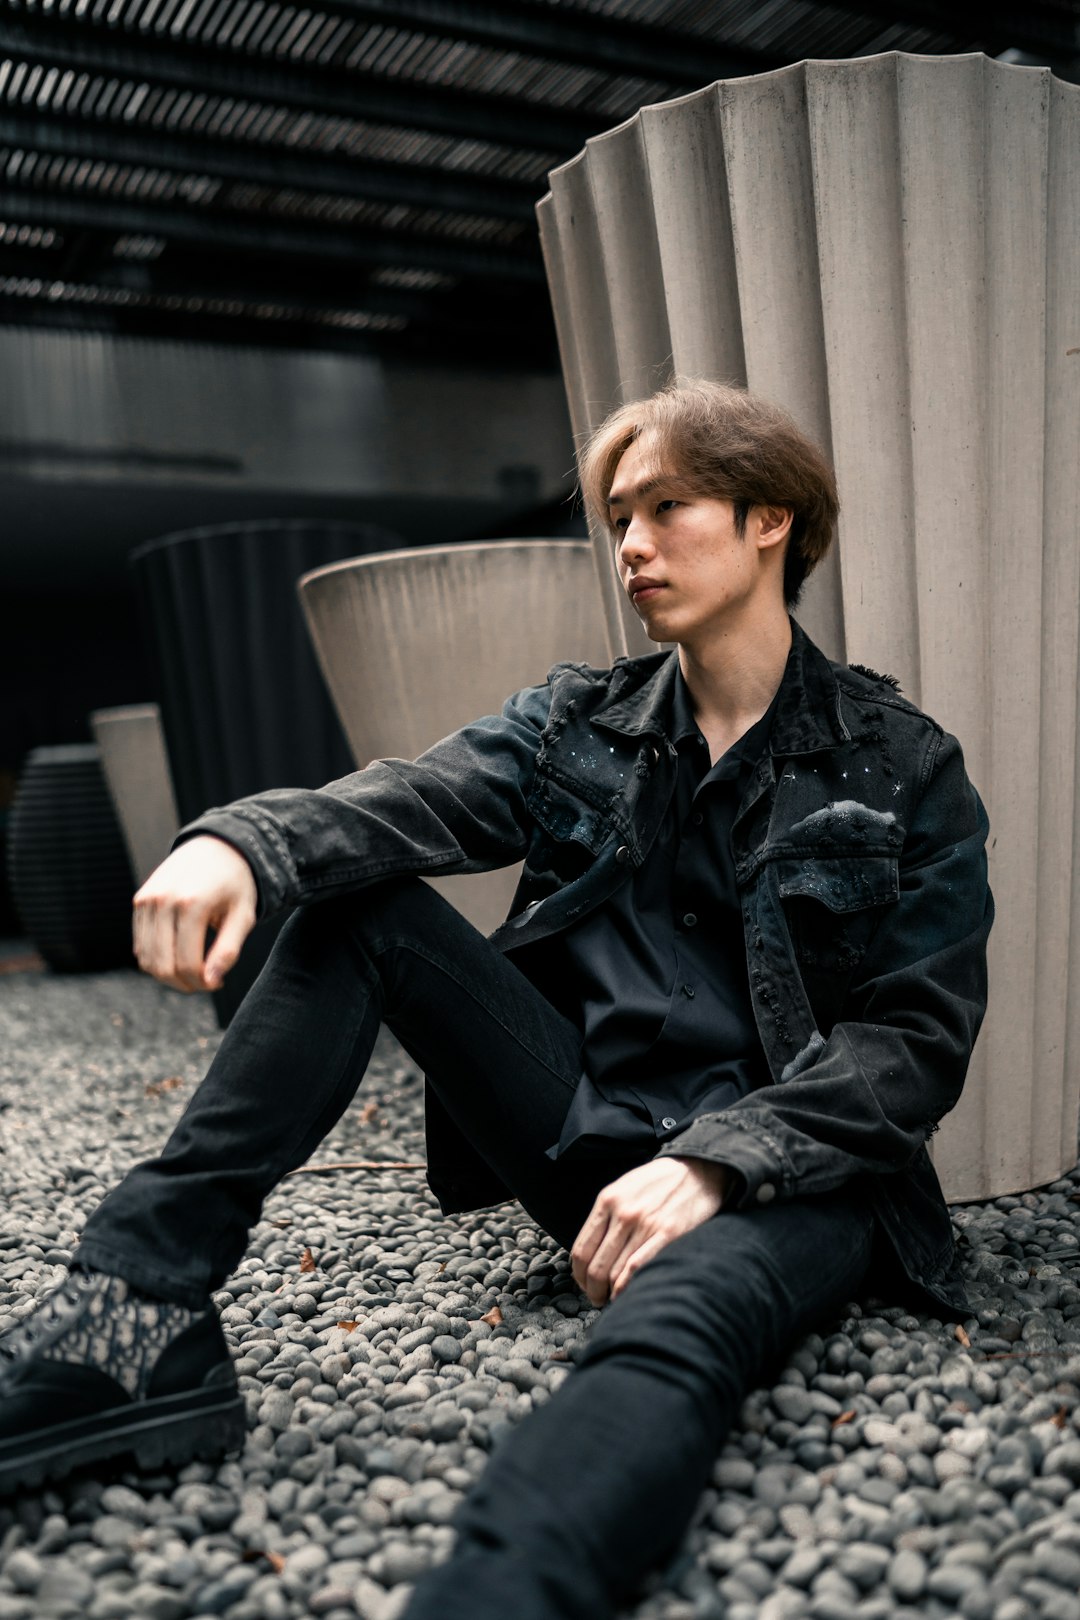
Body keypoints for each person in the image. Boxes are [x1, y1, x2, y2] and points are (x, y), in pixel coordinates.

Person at [0, 380, 992, 1620]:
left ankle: (508, 1584)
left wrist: (725, 1161)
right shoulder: (581, 721)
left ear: (770, 521)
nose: (629, 545)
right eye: (617, 517)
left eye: (666, 508)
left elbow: (915, 1040)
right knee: (360, 901)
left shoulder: (902, 764)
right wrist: (240, 845)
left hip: (790, 1174)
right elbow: (404, 800)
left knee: (677, 1330)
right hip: (586, 1140)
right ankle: (136, 1301)